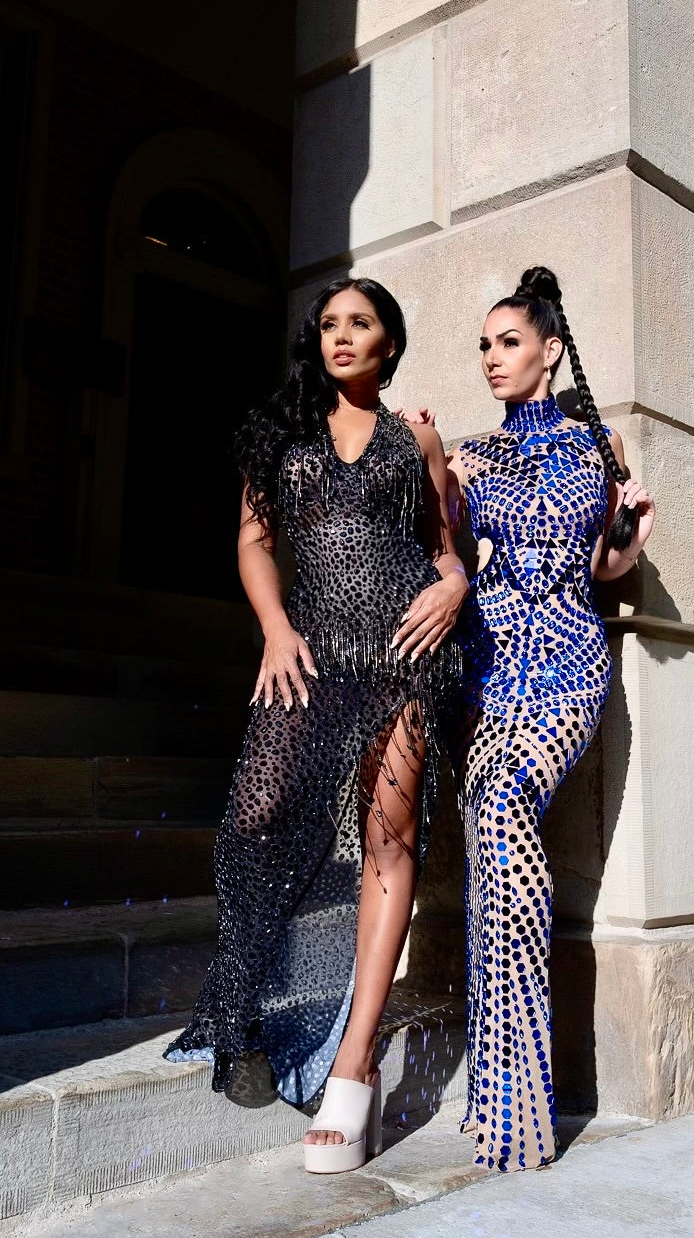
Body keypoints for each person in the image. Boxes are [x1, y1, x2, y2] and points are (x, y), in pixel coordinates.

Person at [164, 276, 467, 1175]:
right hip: (310, 651)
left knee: (389, 834)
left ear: (389, 341)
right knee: (255, 820)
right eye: (330, 323)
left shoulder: (416, 436)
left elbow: (445, 546)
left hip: (406, 651)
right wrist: (276, 630)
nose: (342, 336)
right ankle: (244, 1006)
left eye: (361, 323)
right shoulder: (280, 432)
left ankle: (354, 1062)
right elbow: (255, 542)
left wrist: (452, 585)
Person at [406, 265, 655, 1171]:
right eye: (482, 344)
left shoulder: (599, 442)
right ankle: (506, 1098)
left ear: (549, 350)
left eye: (507, 342)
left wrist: (631, 534)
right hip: (491, 672)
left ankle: (518, 1095)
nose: (490, 358)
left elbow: (606, 567)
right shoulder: (468, 453)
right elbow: (440, 549)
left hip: (568, 669)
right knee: (491, 840)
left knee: (502, 812)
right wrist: (431, 462)